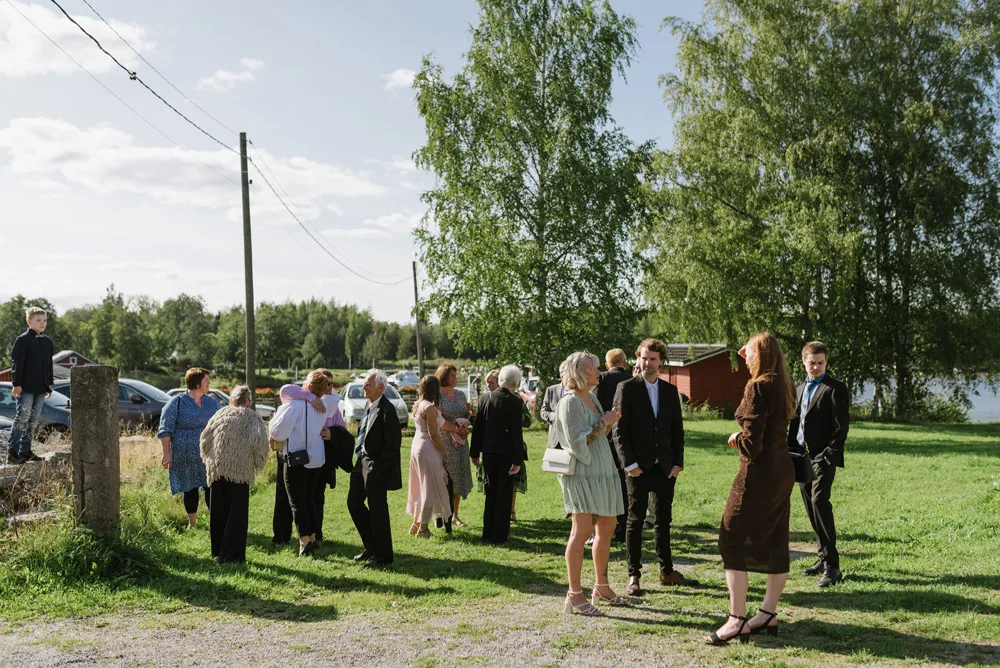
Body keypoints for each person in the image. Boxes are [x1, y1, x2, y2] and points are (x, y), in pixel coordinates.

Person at [707, 332, 796, 645]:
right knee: (775, 537)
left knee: (731, 538)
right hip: (783, 471)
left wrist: (737, 439)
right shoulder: (784, 383)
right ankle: (768, 613)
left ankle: (737, 619)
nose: (745, 356)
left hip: (758, 474)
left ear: (762, 355)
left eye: (750, 352)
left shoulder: (758, 385)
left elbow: (752, 443)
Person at [612, 338, 697, 596]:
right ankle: (633, 574)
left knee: (663, 520)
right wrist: (630, 464)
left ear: (661, 362)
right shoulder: (626, 388)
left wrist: (678, 463)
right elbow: (619, 432)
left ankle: (666, 570)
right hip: (637, 468)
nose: (646, 363)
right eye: (643, 358)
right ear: (637, 358)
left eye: (652, 359)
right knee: (635, 520)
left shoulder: (670, 392)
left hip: (665, 468)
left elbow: (677, 431)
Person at [555, 352, 625, 616]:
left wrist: (607, 422)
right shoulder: (570, 402)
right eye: (594, 369)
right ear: (581, 372)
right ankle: (574, 594)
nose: (599, 372)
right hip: (583, 474)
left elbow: (598, 435)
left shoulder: (592, 397)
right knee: (581, 531)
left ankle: (601, 586)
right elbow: (576, 443)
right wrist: (603, 422)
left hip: (603, 470)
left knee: (607, 527)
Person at [789, 341, 850, 588]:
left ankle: (833, 567)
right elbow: (795, 423)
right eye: (812, 363)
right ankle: (822, 557)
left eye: (820, 363)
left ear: (826, 363)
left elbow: (841, 426)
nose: (816, 367)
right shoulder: (799, 388)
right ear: (804, 362)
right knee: (809, 505)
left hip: (822, 458)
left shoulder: (834, 389)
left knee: (819, 502)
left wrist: (829, 455)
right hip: (801, 456)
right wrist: (789, 450)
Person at [272, 370, 346, 547]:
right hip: (316, 459)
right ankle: (313, 536)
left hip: (297, 458)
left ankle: (304, 540)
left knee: (296, 502)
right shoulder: (326, 406)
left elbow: (277, 432)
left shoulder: (295, 406)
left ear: (307, 385)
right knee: (310, 500)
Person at [199, 385, 269, 564]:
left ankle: (217, 550)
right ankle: (232, 556)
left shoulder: (220, 414)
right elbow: (260, 443)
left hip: (216, 469)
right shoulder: (252, 417)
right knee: (236, 514)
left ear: (232, 400)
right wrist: (258, 463)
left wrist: (209, 458)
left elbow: (205, 438)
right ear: (248, 401)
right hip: (240, 470)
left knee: (219, 511)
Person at [347, 369, 403, 569]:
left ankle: (384, 556)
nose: (363, 387)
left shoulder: (387, 410)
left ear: (380, 387)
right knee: (353, 502)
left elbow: (393, 444)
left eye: (367, 385)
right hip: (360, 462)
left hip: (374, 467)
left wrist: (377, 468)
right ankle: (371, 546)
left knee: (378, 510)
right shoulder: (369, 406)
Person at [159, 368, 221, 529]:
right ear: (196, 382)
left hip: (209, 454)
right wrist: (166, 454)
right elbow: (165, 429)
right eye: (206, 380)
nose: (209, 383)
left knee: (211, 485)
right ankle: (192, 524)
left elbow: (222, 424)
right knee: (190, 487)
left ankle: (216, 521)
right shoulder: (177, 402)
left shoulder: (212, 403)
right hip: (184, 454)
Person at [470, 365, 525, 546]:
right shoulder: (515, 402)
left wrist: (474, 452)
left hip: (488, 453)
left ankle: (487, 532)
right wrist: (518, 459)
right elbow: (517, 433)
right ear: (516, 383)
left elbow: (478, 427)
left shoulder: (486, 398)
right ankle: (499, 534)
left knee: (491, 492)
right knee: (504, 493)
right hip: (506, 454)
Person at [6, 306, 53, 465]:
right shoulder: (23, 340)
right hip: (25, 387)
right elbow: (17, 364)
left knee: (33, 420)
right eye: (38, 320)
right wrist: (16, 384)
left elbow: (48, 365)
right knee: (23, 418)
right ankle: (12, 452)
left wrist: (48, 385)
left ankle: (25, 451)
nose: (42, 323)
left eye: (44, 320)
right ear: (29, 322)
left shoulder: (47, 341)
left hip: (41, 387)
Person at [406, 375, 452, 538]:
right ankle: (423, 528)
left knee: (420, 486)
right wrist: (445, 453)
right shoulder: (430, 408)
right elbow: (434, 434)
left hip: (416, 446)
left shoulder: (418, 404)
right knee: (430, 488)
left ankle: (416, 523)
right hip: (427, 448)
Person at [597, 348, 632, 543]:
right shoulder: (632, 380)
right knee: (624, 481)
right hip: (626, 437)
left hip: (603, 436)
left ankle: (604, 526)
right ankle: (625, 526)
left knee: (604, 482)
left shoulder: (600, 380)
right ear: (624, 362)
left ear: (607, 364)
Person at [437, 364, 474, 527]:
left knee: (458, 478)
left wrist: (469, 415)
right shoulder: (437, 395)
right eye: (451, 375)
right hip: (445, 442)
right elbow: (438, 420)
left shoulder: (460, 394)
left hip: (460, 443)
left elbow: (465, 415)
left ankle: (455, 515)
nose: (455, 378)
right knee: (446, 479)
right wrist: (456, 429)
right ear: (443, 376)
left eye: (455, 375)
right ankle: (443, 514)